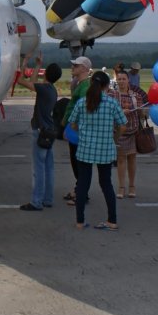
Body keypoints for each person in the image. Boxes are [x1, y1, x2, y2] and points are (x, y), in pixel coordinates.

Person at [68, 71, 127, 230]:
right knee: (106, 183)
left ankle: (80, 221)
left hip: (85, 149)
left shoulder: (82, 102)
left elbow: (72, 123)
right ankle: (112, 220)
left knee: (83, 184)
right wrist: (114, 138)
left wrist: (81, 132)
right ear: (107, 86)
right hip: (105, 149)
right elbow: (122, 125)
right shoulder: (112, 103)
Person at [16, 52, 63, 211]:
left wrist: (25, 62)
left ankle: (36, 201)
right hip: (50, 131)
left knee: (38, 169)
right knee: (49, 167)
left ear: (46, 74)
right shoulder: (52, 90)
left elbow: (22, 80)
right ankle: (48, 199)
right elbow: (34, 83)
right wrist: (37, 66)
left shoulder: (44, 89)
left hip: (40, 132)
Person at [107, 70, 148, 199]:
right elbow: (108, 112)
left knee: (132, 158)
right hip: (119, 131)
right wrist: (120, 112)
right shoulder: (111, 95)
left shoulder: (136, 96)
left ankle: (132, 186)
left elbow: (142, 115)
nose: (121, 81)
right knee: (120, 159)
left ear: (128, 80)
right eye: (119, 79)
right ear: (116, 81)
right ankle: (121, 187)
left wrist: (142, 112)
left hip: (133, 130)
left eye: (124, 79)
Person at [61, 56, 92, 205]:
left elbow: (83, 112)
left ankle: (82, 194)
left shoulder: (86, 87)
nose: (72, 67)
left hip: (78, 130)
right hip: (74, 127)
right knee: (76, 162)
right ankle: (78, 189)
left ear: (85, 69)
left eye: (76, 65)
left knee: (79, 163)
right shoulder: (81, 84)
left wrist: (72, 129)